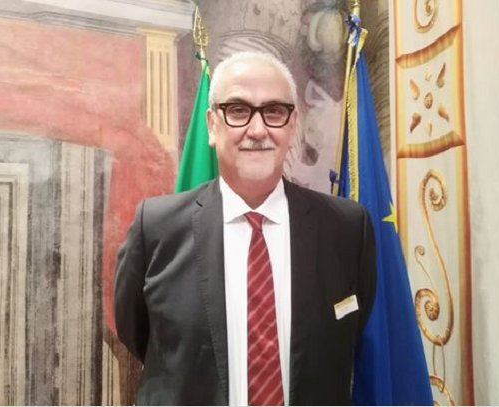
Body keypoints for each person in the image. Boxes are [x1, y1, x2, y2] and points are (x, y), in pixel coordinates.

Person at [114, 51, 376, 406]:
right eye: (238, 110)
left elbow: (350, 334)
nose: (257, 130)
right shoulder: (157, 227)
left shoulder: (347, 228)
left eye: (274, 111)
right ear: (212, 125)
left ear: (292, 125)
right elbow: (138, 333)